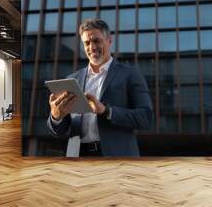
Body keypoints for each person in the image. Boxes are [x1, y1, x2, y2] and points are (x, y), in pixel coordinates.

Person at [47, 18, 153, 157]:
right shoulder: (72, 79)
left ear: (109, 40)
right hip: (78, 156)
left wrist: (106, 110)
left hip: (115, 157)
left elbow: (145, 117)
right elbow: (59, 131)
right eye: (87, 43)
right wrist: (56, 116)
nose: (91, 47)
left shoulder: (130, 74)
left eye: (96, 41)